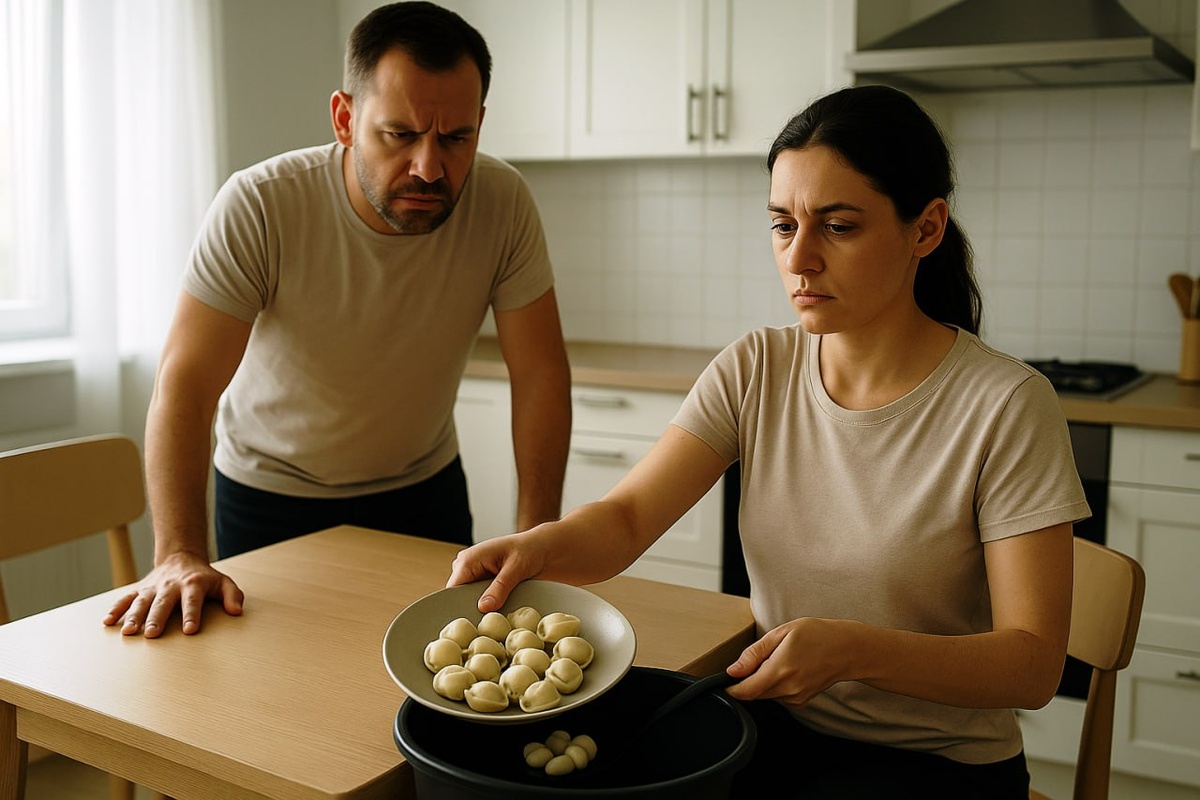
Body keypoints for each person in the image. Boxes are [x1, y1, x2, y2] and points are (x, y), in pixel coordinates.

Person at [446, 84, 1089, 799]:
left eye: (838, 227)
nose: (800, 258)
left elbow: (1033, 667)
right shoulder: (756, 367)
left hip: (936, 765)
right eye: (783, 224)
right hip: (775, 730)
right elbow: (627, 520)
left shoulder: (1006, 405)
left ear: (926, 229)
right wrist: (538, 544)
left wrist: (852, 650)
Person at [106, 1, 572, 639]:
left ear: (480, 125)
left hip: (422, 488)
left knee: (440, 678)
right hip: (270, 494)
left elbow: (541, 373)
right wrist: (178, 552)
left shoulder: (504, 202)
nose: (429, 167)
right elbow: (185, 384)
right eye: (400, 134)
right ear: (346, 119)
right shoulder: (261, 204)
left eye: (456, 137)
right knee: (269, 701)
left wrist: (536, 536)